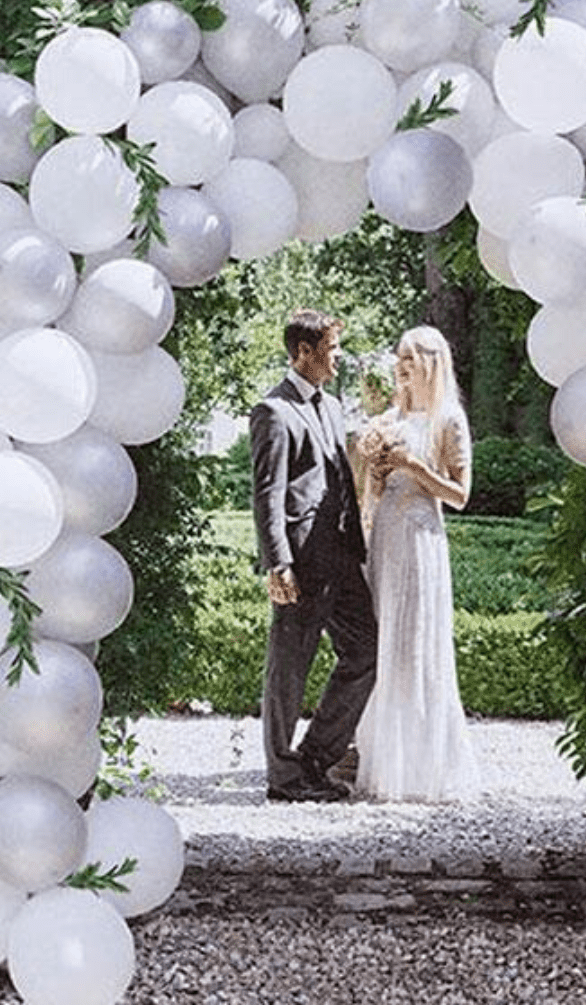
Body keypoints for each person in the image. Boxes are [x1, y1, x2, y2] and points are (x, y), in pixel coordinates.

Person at [249, 309, 378, 803]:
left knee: (367, 649)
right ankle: (284, 777)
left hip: (342, 556)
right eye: (332, 349)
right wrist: (277, 562)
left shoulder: (331, 404)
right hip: (300, 561)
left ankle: (316, 760)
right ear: (303, 352)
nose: (339, 358)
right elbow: (268, 493)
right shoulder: (273, 412)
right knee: (289, 667)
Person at [355, 325, 480, 802]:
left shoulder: (449, 420)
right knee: (383, 640)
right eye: (398, 357)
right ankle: (380, 759)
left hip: (422, 537)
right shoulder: (389, 418)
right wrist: (379, 470)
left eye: (409, 357)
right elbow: (375, 489)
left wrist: (416, 468)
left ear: (431, 361)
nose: (400, 365)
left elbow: (462, 495)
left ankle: (423, 768)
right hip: (386, 536)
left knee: (414, 643)